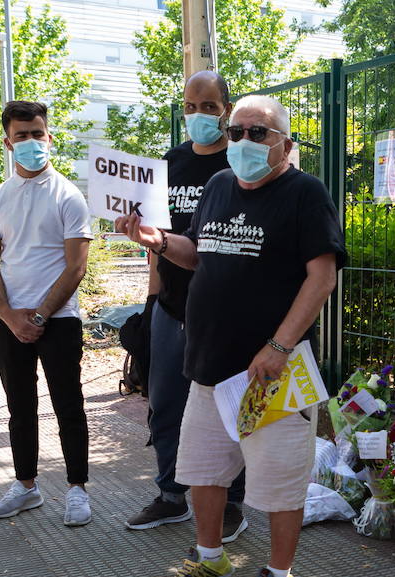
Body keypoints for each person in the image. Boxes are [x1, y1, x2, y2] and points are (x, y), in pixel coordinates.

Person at [117, 94, 344, 577]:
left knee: (280, 480)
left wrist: (280, 345)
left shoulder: (304, 193)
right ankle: (211, 559)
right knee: (203, 470)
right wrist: (157, 240)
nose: (243, 141)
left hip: (271, 372)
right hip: (210, 364)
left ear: (285, 145)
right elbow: (197, 252)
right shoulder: (219, 186)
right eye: (236, 131)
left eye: (258, 133)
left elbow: (322, 276)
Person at [125, 70, 249, 541]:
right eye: (190, 107)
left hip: (222, 311)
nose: (198, 115)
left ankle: (232, 501)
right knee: (166, 403)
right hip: (172, 308)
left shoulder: (241, 165)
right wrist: (151, 304)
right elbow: (155, 241)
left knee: (226, 408)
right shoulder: (168, 164)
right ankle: (170, 495)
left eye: (209, 106)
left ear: (226, 109)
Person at [0, 100, 94, 526]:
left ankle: (77, 489)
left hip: (59, 321)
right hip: (9, 321)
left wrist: (41, 316)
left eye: (37, 133)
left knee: (69, 404)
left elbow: (75, 266)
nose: (31, 142)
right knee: (19, 407)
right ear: (8, 142)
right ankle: (25, 486)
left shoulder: (69, 195)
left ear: (50, 137)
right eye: (22, 135)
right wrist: (9, 315)